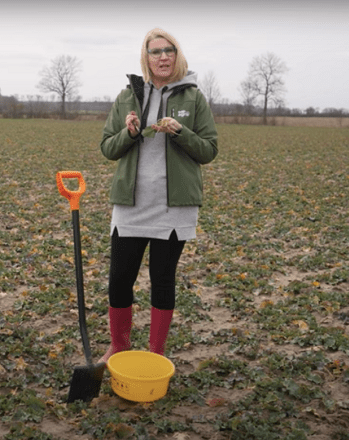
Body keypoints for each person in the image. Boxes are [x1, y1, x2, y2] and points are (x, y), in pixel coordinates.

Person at [99, 28, 218, 363]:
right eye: (156, 52)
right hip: (131, 204)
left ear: (177, 56)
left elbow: (209, 150)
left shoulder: (194, 97)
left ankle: (156, 354)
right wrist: (130, 132)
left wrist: (180, 132)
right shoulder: (127, 95)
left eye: (169, 50)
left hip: (173, 207)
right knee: (120, 279)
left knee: (162, 280)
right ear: (146, 57)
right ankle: (118, 346)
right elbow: (108, 147)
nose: (163, 57)